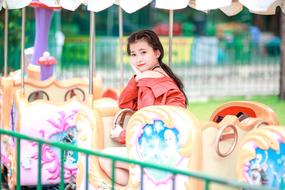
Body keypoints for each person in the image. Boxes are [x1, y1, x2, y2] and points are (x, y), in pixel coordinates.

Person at [99, 29, 188, 186]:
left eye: (143, 52)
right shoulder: (149, 79)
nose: (138, 59)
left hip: (161, 153)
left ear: (157, 52)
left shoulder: (155, 82)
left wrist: (122, 135)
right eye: (133, 54)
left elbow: (153, 126)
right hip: (157, 149)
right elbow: (124, 104)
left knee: (105, 158)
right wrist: (137, 78)